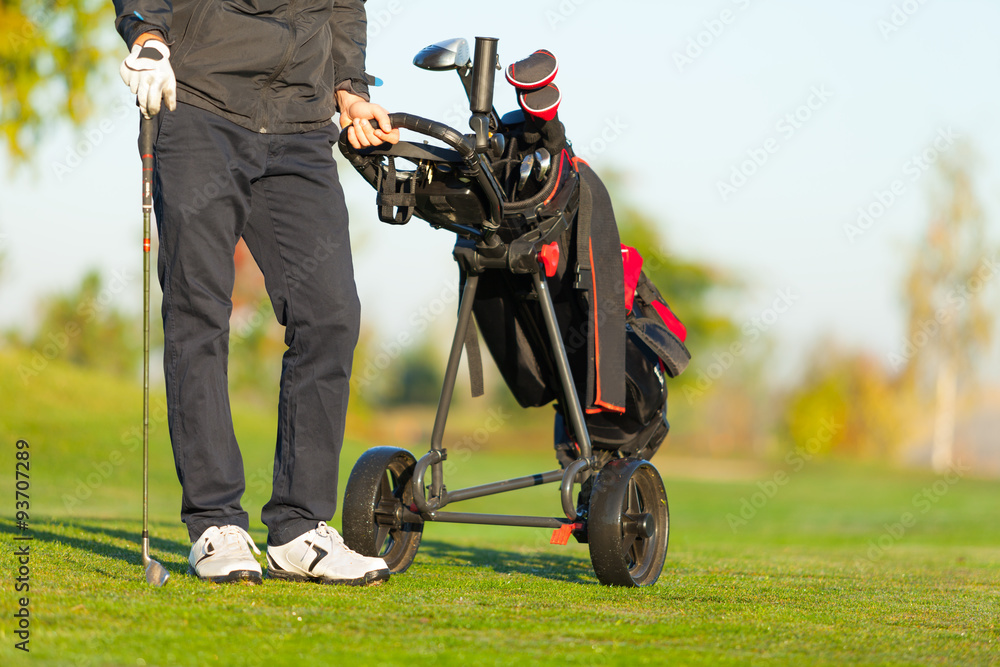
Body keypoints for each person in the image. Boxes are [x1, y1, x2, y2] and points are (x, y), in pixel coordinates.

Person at [113, 0, 399, 585]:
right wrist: (145, 28)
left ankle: (299, 529)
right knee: (199, 310)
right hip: (201, 104)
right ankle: (215, 523)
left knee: (331, 315)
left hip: (300, 125)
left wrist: (348, 87)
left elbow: (343, 6)